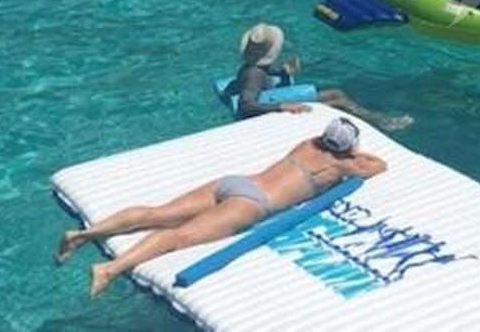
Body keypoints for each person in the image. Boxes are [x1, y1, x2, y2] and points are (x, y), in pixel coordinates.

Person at [57, 118, 388, 298]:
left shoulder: (307, 144)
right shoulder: (342, 165)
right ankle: (108, 270)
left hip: (235, 182)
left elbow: (328, 142)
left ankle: (82, 235)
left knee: (157, 213)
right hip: (252, 204)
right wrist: (352, 153)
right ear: (348, 147)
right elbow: (379, 166)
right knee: (178, 237)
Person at [226, 23, 411, 130]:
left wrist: (283, 73)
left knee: (335, 93)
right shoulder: (254, 74)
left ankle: (372, 118)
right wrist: (283, 106)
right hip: (269, 114)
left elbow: (266, 86)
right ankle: (380, 121)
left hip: (271, 101)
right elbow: (246, 105)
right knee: (339, 101)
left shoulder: (258, 69)